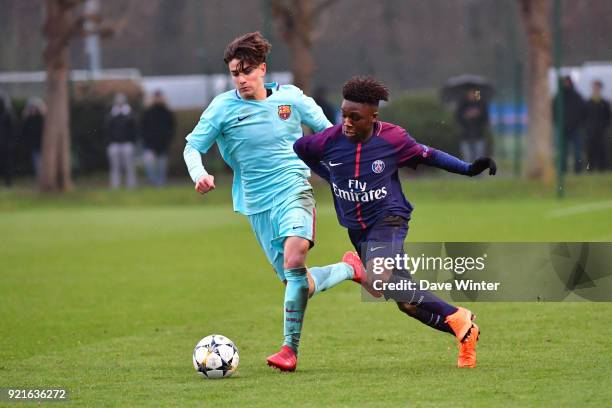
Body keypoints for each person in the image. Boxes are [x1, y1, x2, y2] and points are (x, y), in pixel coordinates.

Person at [183, 32, 361, 372]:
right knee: (298, 283)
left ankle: (288, 351)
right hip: (256, 203)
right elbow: (192, 147)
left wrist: (351, 162)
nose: (241, 79)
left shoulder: (290, 99)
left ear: (262, 69)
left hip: (294, 188)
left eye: (247, 71)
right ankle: (350, 268)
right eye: (235, 73)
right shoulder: (222, 108)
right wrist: (199, 174)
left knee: (296, 257)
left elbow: (328, 133)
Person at [294, 76, 497, 368]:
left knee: (377, 278)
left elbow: (430, 155)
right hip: (358, 230)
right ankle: (465, 333)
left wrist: (468, 169)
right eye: (344, 115)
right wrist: (329, 175)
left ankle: (457, 314)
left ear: (373, 117)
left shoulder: (393, 139)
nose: (347, 123)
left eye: (355, 117)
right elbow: (301, 149)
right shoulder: (330, 140)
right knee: (407, 303)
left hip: (389, 218)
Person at [142, 90, 175, 186]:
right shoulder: (148, 113)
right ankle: (153, 181)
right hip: (149, 144)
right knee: (150, 164)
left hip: (163, 144)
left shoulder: (167, 113)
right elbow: (143, 128)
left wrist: (167, 140)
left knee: (162, 166)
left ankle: (160, 183)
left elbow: (171, 128)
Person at [553, 76, 586, 174]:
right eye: (564, 82)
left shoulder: (577, 97)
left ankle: (578, 171)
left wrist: (579, 123)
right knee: (563, 153)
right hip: (562, 129)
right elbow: (554, 112)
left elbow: (583, 112)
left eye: (567, 82)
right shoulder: (558, 97)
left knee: (577, 152)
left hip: (575, 129)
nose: (566, 84)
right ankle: (563, 170)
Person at [105, 93, 138, 189]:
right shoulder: (111, 114)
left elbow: (134, 129)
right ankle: (115, 185)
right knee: (114, 166)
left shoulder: (130, 114)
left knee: (129, 166)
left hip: (127, 143)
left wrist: (132, 141)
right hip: (114, 144)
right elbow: (107, 129)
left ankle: (131, 185)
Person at [455, 88, 489, 163]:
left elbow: (485, 118)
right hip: (465, 135)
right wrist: (466, 116)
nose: (472, 95)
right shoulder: (462, 103)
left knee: (479, 157)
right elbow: (458, 117)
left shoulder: (481, 103)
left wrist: (478, 114)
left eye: (474, 93)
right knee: (467, 157)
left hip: (479, 135)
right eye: (470, 92)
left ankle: (478, 173)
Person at [584, 80, 610, 171]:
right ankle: (590, 169)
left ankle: (602, 168)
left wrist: (604, 127)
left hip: (601, 131)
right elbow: (584, 117)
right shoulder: (588, 103)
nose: (596, 89)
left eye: (597, 87)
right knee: (590, 151)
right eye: (594, 87)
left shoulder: (605, 103)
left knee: (602, 150)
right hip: (590, 131)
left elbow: (608, 117)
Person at [21, 98, 45, 180]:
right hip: (34, 145)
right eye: (30, 108)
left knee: (43, 163)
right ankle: (40, 178)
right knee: (37, 163)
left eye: (34, 107)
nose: (32, 109)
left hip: (43, 145)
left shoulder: (42, 119)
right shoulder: (28, 119)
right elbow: (24, 132)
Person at [0, 95, 15, 187]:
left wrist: (11, 143)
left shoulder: (8, 115)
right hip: (4, 143)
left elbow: (12, 130)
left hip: (6, 145)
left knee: (7, 164)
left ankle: (8, 182)